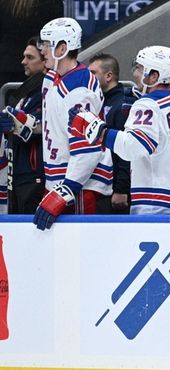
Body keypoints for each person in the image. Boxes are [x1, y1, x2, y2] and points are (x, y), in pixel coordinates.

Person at [68, 46, 170, 216]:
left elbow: (133, 147)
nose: (135, 73)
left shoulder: (148, 105)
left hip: (160, 204)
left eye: (139, 68)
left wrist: (96, 129)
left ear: (154, 76)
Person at [31, 17, 109, 231]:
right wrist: (25, 124)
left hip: (79, 187)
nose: (42, 50)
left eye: (47, 45)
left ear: (62, 48)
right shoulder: (54, 78)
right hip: (59, 181)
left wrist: (64, 191)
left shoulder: (79, 88)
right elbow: (55, 128)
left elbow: (88, 149)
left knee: (79, 255)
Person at [0, 37, 46, 214]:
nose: (23, 62)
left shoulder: (48, 91)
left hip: (35, 177)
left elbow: (44, 128)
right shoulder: (26, 94)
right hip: (19, 175)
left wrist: (14, 124)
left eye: (30, 57)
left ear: (45, 61)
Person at [88, 53, 133, 214]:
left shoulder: (122, 105)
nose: (89, 78)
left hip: (113, 189)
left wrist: (121, 189)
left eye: (93, 73)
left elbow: (126, 150)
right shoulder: (98, 101)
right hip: (99, 185)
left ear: (108, 76)